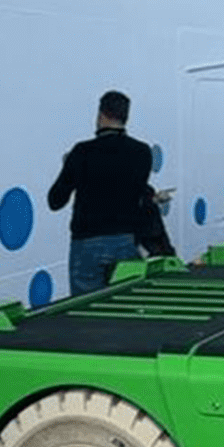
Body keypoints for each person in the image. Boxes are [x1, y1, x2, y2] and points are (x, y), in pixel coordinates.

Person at [48, 90, 155, 295]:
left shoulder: (81, 152)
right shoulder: (142, 152)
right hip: (126, 240)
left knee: (88, 314)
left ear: (101, 115)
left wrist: (67, 166)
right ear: (126, 117)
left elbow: (55, 200)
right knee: (125, 306)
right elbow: (138, 192)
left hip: (87, 243)